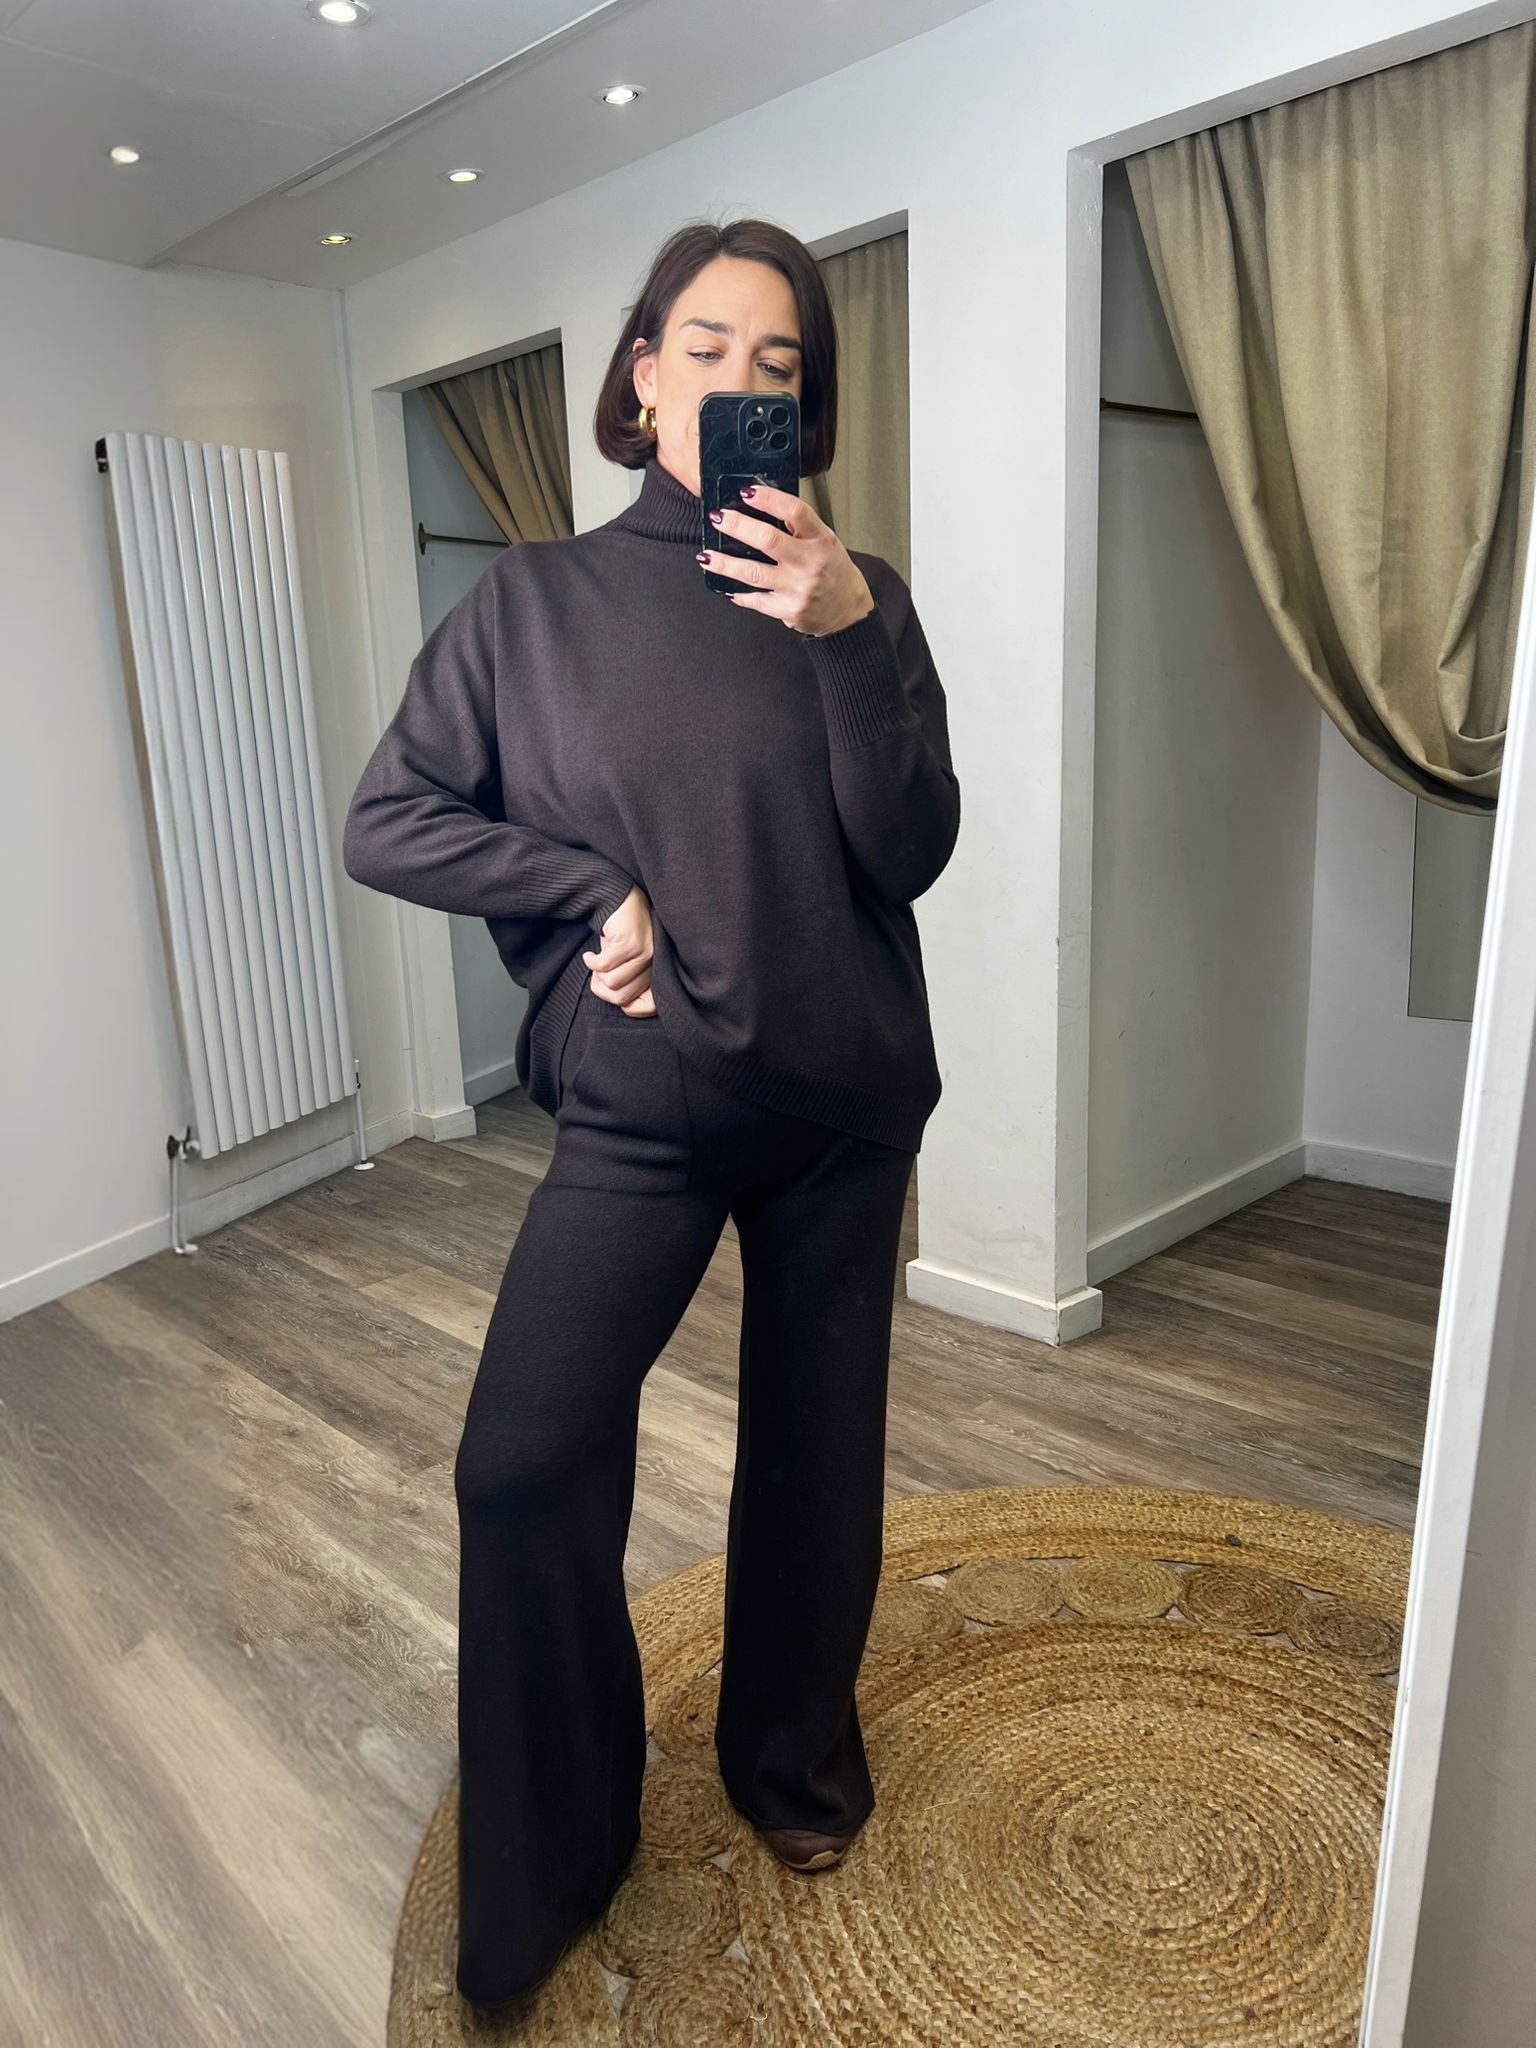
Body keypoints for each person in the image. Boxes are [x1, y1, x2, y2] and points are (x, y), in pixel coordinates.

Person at [341, 215, 961, 2012]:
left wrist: (844, 635)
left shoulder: (860, 594)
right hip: (645, 1107)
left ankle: (791, 1768)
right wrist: (582, 887)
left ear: (806, 403)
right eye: (705, 349)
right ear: (640, 374)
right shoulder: (530, 607)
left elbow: (910, 847)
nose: (739, 383)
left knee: (815, 1458)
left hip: (844, 1104)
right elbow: (392, 818)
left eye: (779, 364)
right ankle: (565, 1842)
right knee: (522, 1465)